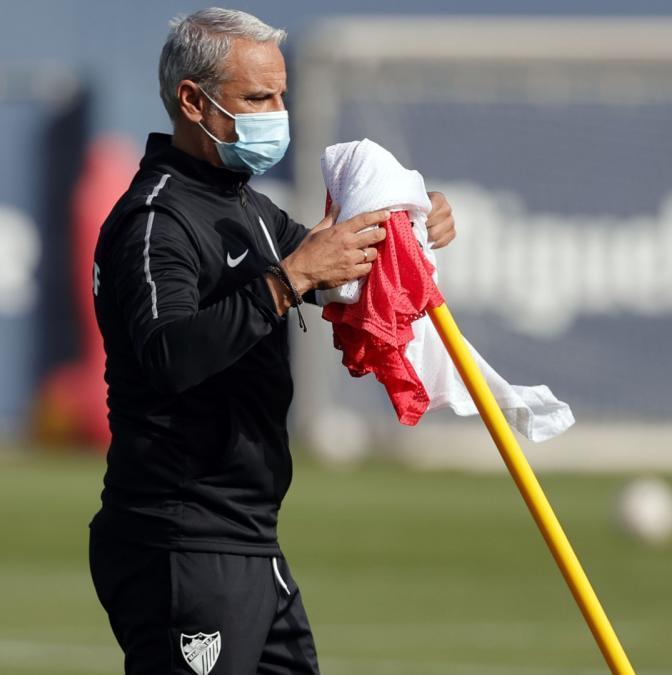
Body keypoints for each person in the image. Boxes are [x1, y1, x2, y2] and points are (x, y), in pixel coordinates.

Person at [87, 8, 456, 675]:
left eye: (281, 95)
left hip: (249, 537)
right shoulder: (155, 219)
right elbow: (168, 353)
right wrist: (288, 281)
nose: (277, 112)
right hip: (180, 537)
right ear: (193, 101)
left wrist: (411, 224)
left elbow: (332, 271)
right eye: (259, 98)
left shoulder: (248, 209)